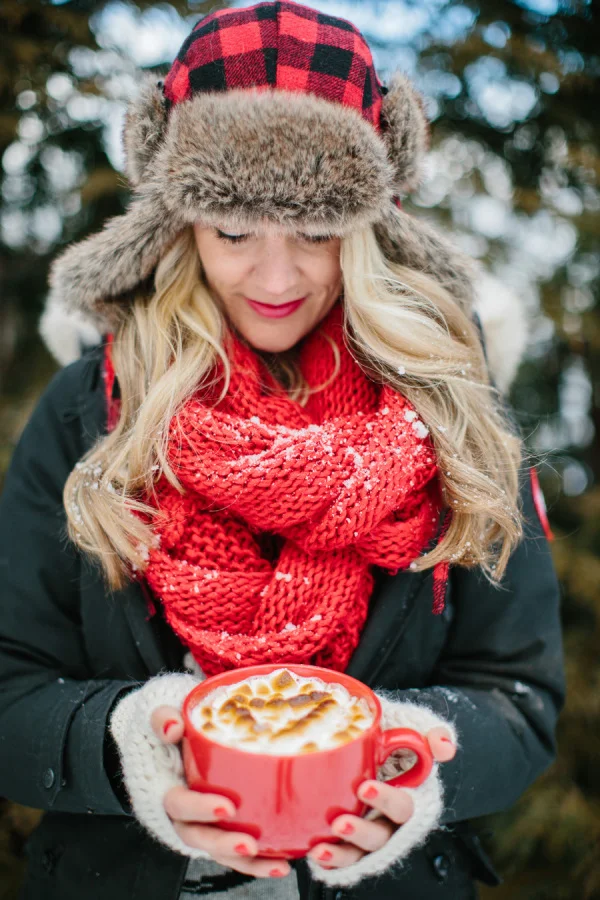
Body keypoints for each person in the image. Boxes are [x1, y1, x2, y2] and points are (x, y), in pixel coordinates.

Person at [0, 3, 564, 899]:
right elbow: (9, 688)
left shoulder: (457, 416)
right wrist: (125, 745)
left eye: (316, 231)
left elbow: (520, 701)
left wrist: (415, 776)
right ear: (179, 224)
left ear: (374, 226)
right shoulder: (87, 412)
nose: (274, 279)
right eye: (232, 231)